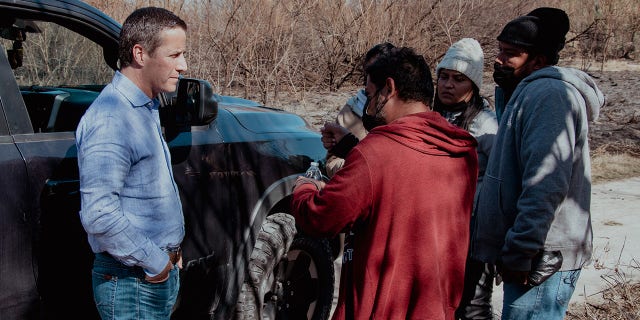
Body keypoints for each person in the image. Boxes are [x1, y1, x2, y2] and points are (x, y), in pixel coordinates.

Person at [291, 46, 479, 319]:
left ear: (389, 89)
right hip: (436, 307)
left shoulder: (377, 152)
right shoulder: (461, 150)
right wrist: (351, 148)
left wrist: (305, 188)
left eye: (369, 95)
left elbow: (322, 217)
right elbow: (404, 186)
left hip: (382, 308)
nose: (367, 106)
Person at [470, 7, 605, 319]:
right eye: (500, 50)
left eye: (511, 54)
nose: (499, 60)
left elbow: (545, 183)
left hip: (543, 255)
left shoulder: (549, 95)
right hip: (532, 250)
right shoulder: (523, 91)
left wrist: (521, 249)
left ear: (539, 61)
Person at [75, 7, 187, 319]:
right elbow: (99, 215)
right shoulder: (112, 117)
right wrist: (156, 261)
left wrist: (171, 255)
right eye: (175, 54)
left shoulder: (143, 106)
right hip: (132, 281)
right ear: (140, 54)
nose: (183, 65)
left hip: (149, 275)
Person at [432, 38, 500, 320]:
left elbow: (500, 180)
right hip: (435, 230)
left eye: (458, 79)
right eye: (444, 77)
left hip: (473, 234)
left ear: (472, 85)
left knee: (472, 307)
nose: (448, 85)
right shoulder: (427, 115)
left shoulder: (486, 124)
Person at [321, 42, 395, 178]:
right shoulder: (349, 113)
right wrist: (355, 168)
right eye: (369, 72)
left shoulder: (407, 118)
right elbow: (332, 162)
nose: (372, 77)